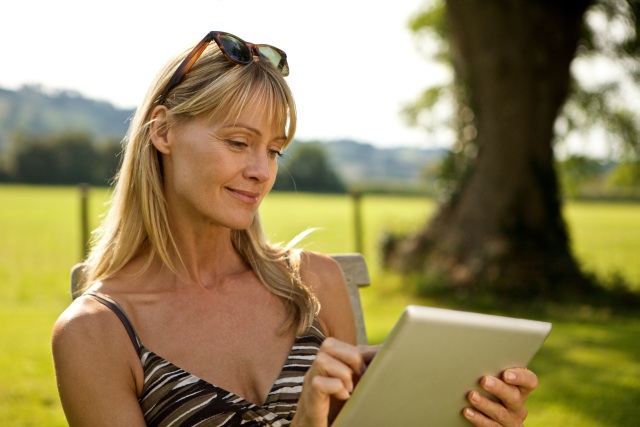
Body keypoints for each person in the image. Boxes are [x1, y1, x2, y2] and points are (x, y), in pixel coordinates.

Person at [52, 31, 539, 427]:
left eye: (274, 149)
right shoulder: (95, 334)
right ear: (162, 132)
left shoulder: (314, 286)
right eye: (240, 142)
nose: (263, 171)